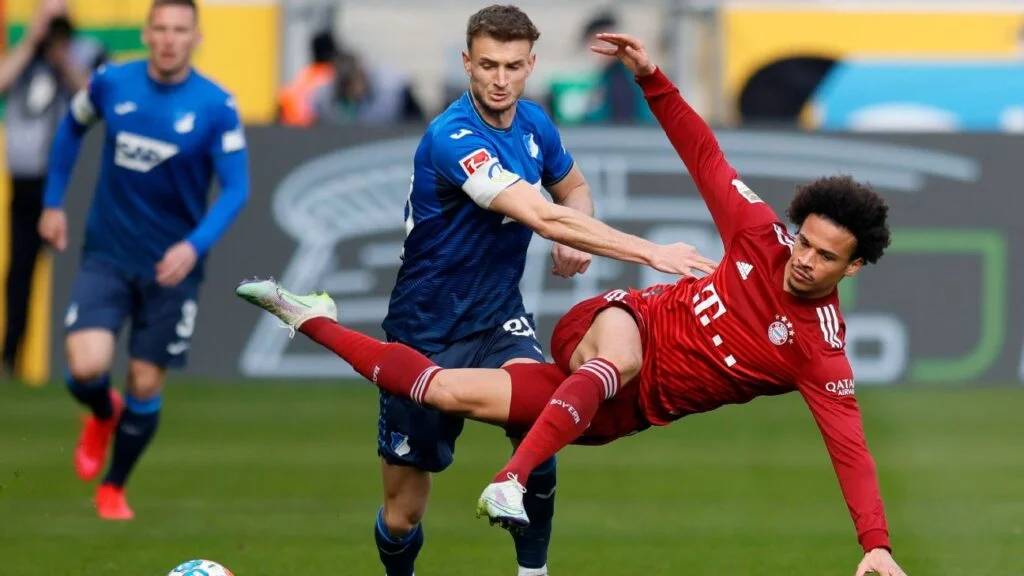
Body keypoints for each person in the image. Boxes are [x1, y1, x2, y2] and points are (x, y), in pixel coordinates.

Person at [235, 31, 908, 576]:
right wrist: (653, 80)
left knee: (442, 394)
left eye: (825, 256)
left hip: (611, 409)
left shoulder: (820, 350)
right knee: (618, 355)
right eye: (805, 241)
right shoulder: (762, 235)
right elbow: (704, 154)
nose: (804, 258)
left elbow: (851, 448)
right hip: (615, 324)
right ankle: (510, 479)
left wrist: (873, 542)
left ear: (854, 267)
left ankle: (307, 315)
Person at [337, 5, 714, 576]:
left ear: (530, 64)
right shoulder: (453, 137)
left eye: (513, 66)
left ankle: (532, 572)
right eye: (487, 64)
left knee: (543, 426)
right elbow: (539, 214)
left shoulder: (535, 124)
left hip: (498, 323)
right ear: (467, 63)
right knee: (402, 515)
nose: (500, 78)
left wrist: (577, 232)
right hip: (425, 334)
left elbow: (574, 190)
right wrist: (653, 253)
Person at [38, 0, 249, 520]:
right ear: (147, 33)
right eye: (161, 29)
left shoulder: (216, 105)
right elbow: (69, 129)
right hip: (108, 254)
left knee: (145, 383)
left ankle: (113, 487)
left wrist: (191, 246)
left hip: (171, 270)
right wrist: (51, 203)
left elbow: (237, 188)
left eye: (180, 30)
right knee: (86, 368)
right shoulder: (110, 83)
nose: (170, 39)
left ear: (196, 38)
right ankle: (101, 411)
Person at [0, 0, 97, 379]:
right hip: (25, 182)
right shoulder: (24, 54)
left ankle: (76, 360)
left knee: (72, 271)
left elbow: (92, 97)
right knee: (19, 272)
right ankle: (11, 359)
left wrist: (63, 57)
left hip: (70, 181)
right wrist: (31, 41)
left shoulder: (84, 51)